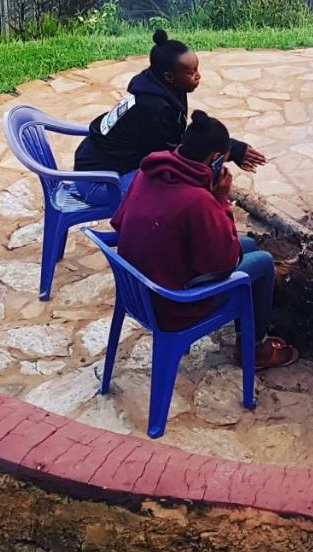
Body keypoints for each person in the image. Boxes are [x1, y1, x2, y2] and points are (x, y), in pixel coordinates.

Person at [112, 112, 297, 368]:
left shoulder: (148, 173)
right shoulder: (197, 200)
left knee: (251, 246)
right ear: (215, 159)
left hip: (137, 288)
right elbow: (223, 263)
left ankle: (248, 329)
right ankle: (255, 350)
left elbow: (118, 222)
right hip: (173, 305)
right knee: (264, 262)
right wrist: (220, 200)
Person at [75, 28, 266, 184]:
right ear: (169, 77)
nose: (198, 76)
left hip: (107, 165)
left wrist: (227, 148)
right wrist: (228, 149)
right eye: (192, 73)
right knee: (178, 188)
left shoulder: (162, 87)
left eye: (197, 69)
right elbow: (178, 156)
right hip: (98, 181)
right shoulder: (152, 107)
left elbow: (177, 141)